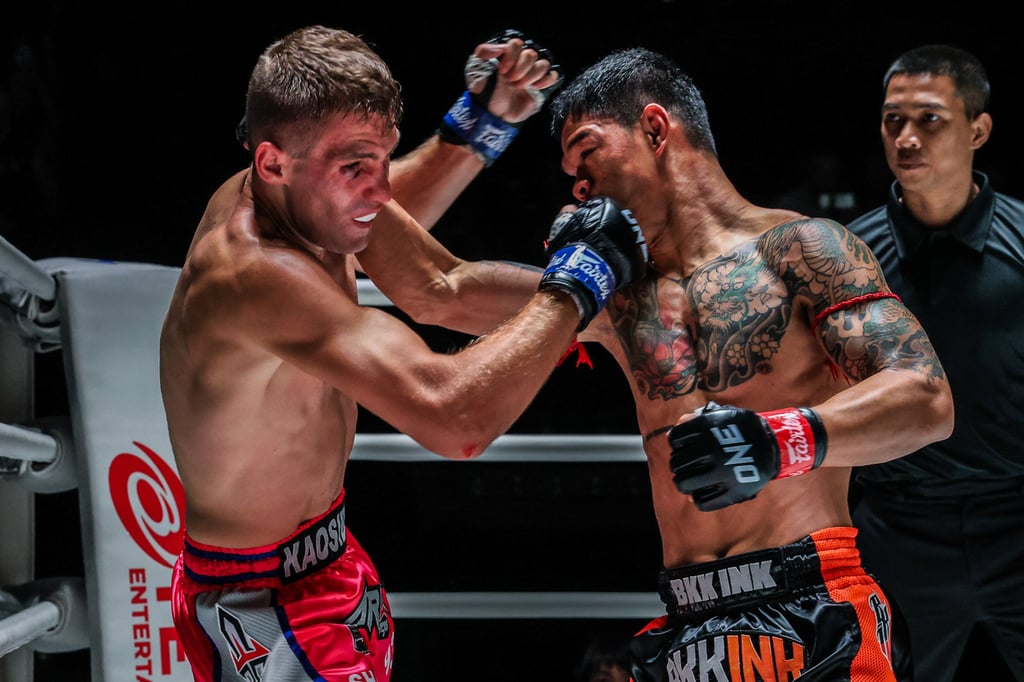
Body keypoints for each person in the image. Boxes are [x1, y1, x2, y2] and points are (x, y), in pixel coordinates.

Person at [158, 25, 649, 682]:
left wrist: (623, 307)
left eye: (381, 160)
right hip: (263, 604)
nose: (377, 190)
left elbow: (440, 288)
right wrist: (583, 284)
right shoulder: (256, 274)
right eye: (356, 167)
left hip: (328, 558)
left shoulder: (305, 198)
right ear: (271, 162)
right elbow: (451, 417)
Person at [539, 47, 954, 680]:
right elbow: (441, 289)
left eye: (587, 151)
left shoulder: (802, 248)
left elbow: (927, 399)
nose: (578, 185)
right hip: (688, 621)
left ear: (654, 129)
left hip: (813, 605)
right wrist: (473, 127)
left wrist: (776, 439)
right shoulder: (617, 300)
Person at [847, 44, 1024, 681]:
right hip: (897, 527)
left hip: (1017, 517)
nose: (907, 137)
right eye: (894, 120)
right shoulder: (843, 256)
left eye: (930, 119)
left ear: (978, 129)